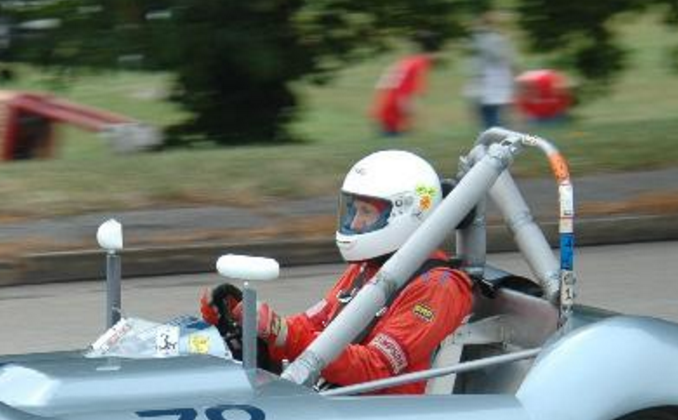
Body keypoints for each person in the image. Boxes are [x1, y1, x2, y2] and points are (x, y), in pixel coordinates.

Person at [200, 150, 473, 395]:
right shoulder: (369, 267)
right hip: (333, 403)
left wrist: (283, 334)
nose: (354, 222)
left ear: (407, 213)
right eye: (354, 210)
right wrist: (253, 324)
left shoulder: (438, 286)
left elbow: (375, 367)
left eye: (366, 212)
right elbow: (313, 325)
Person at [369, 32, 442, 137]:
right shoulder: (418, 66)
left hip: (383, 113)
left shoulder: (407, 61)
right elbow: (404, 99)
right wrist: (416, 123)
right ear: (435, 52)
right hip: (392, 118)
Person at [465, 11, 516, 131]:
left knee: (490, 115)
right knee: (493, 115)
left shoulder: (479, 39)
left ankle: (494, 140)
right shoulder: (493, 39)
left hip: (489, 83)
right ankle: (496, 140)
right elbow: (503, 58)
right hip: (491, 82)